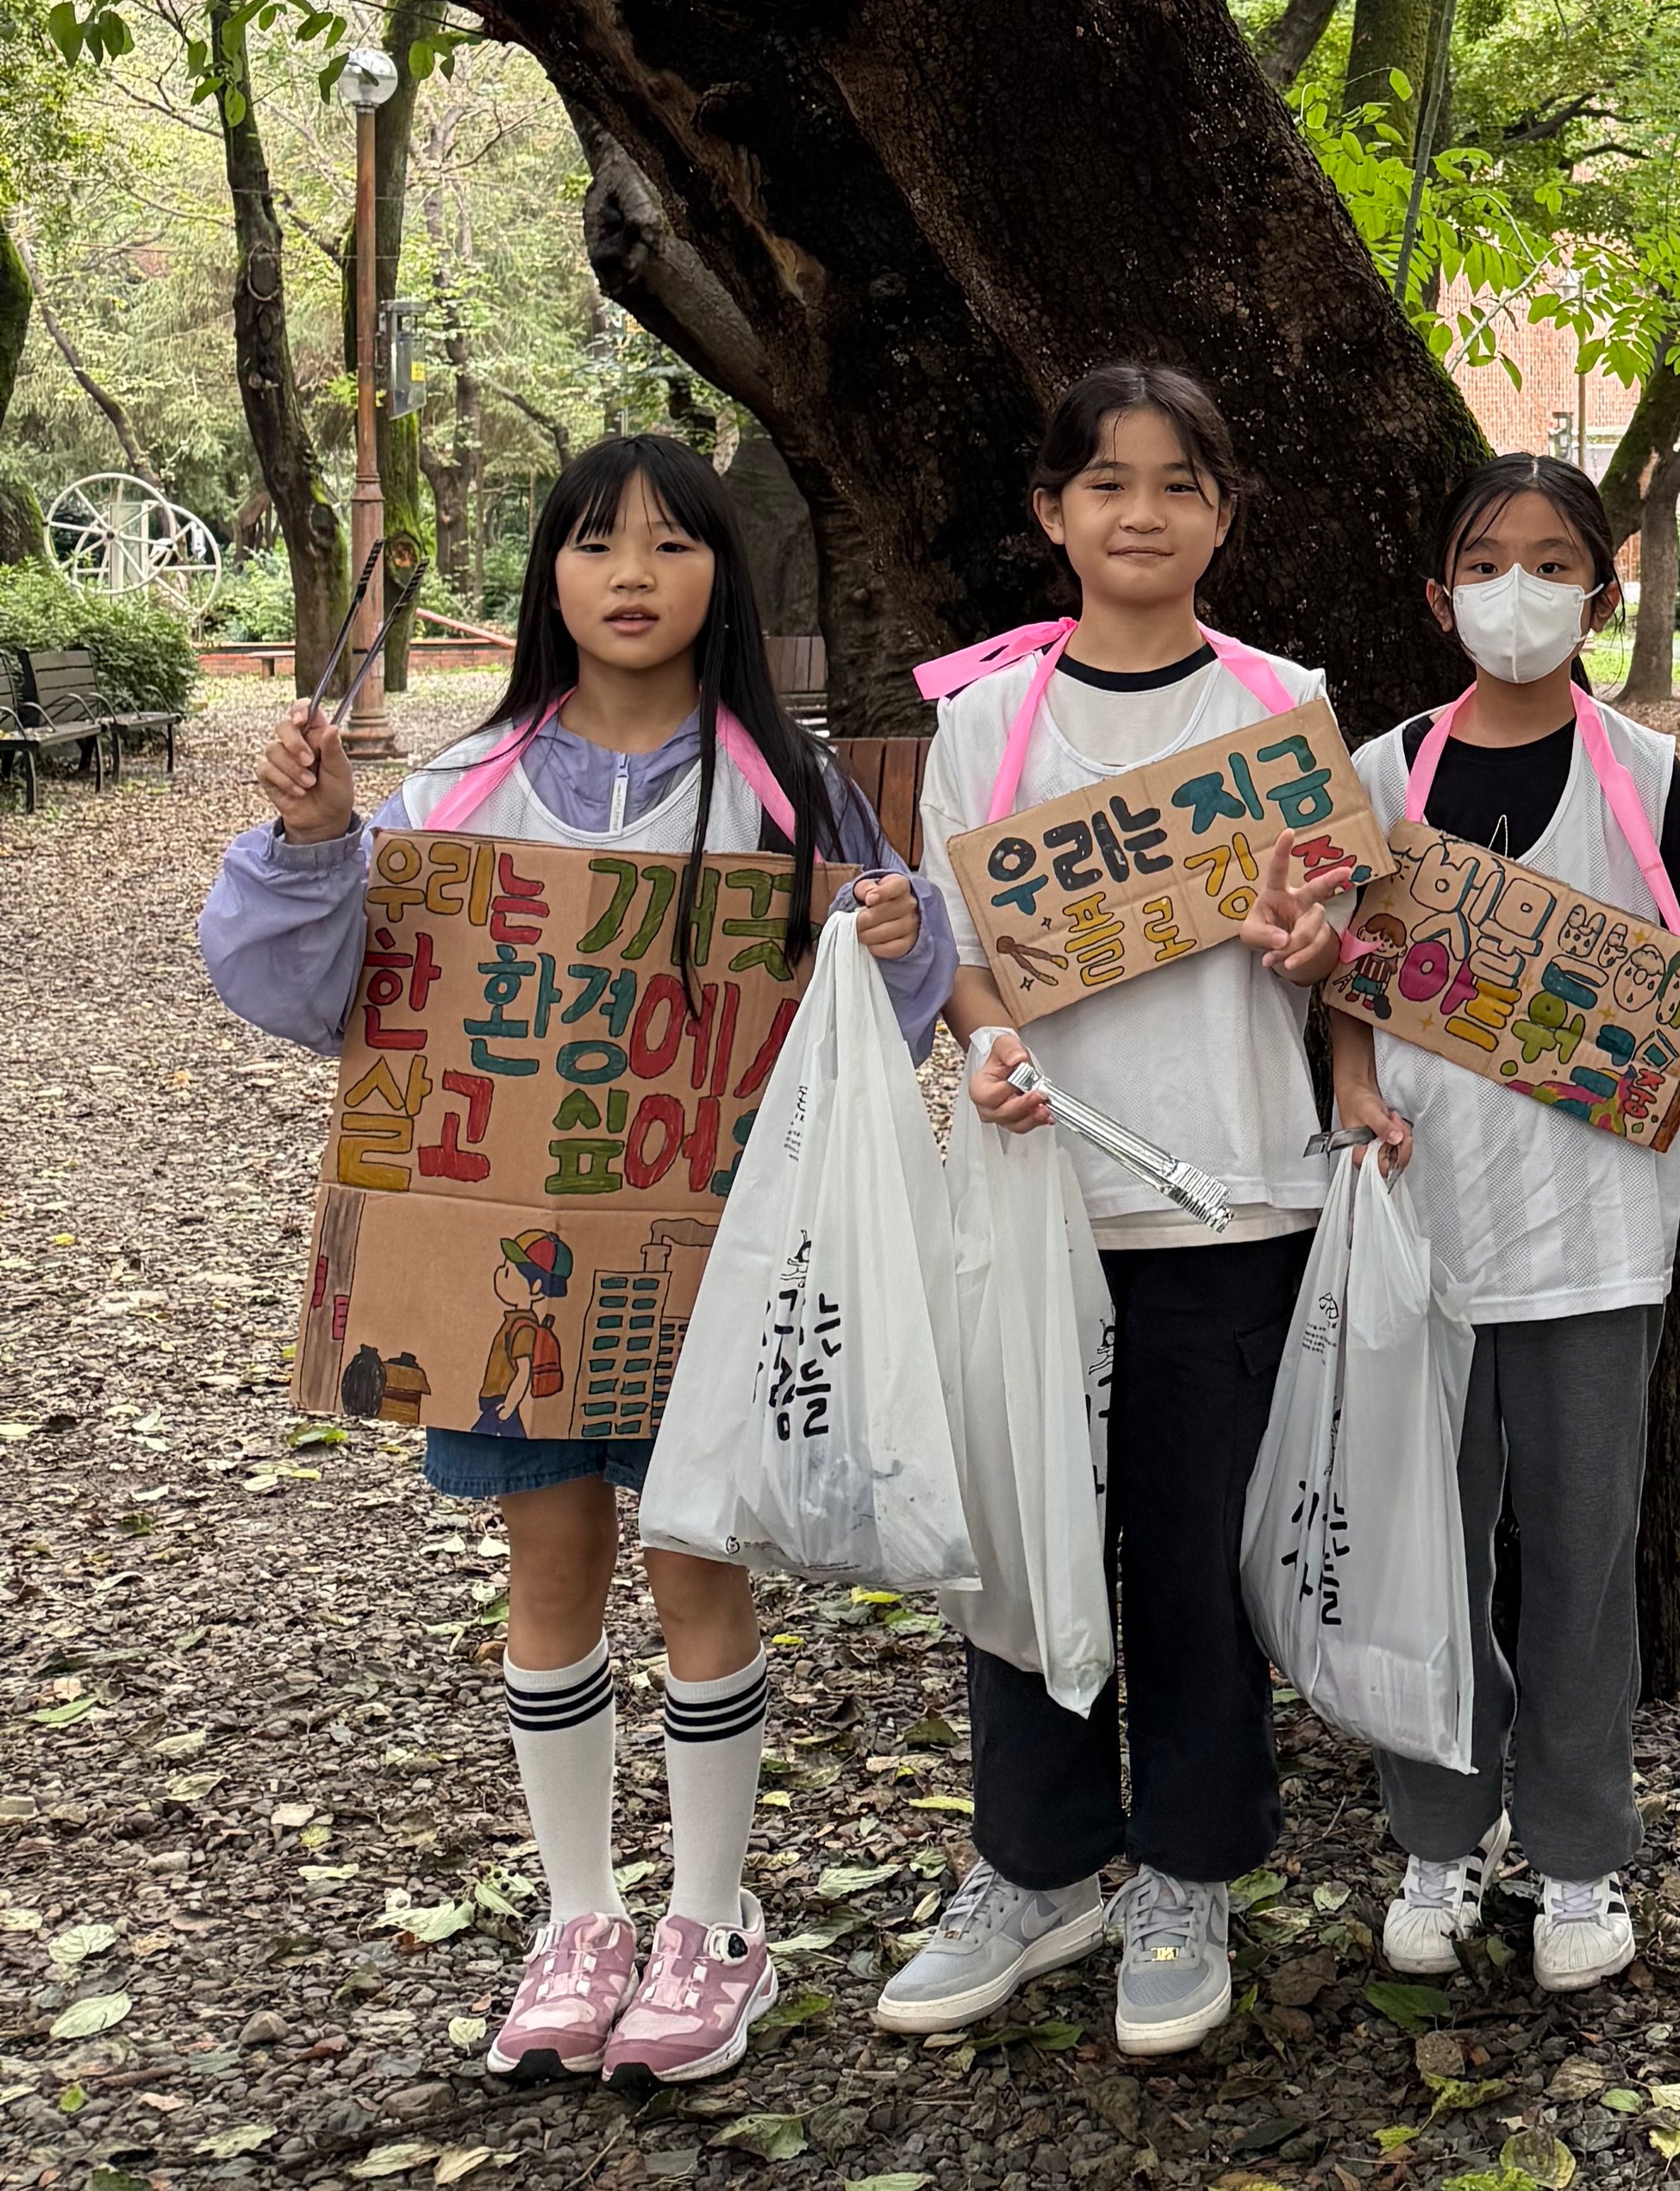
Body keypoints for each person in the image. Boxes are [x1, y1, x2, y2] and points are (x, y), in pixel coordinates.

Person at [200, 437, 951, 2094]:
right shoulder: (460, 794)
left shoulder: (781, 791)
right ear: (547, 574)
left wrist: (893, 940)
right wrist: (322, 837)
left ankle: (708, 1916)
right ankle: (577, 1914)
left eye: (673, 541)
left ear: (719, 580)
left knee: (696, 1563)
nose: (632, 570)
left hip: (720, 1266)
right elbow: (314, 981)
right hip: (501, 1279)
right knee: (545, 1574)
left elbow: (885, 997)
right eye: (596, 539)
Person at [883, 361, 1362, 2062]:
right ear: (1051, 513)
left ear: (1222, 515)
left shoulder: (1278, 703)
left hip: (1230, 1195)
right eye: (1104, 482)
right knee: (1017, 1543)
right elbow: (959, 966)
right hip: (1035, 1197)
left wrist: (1321, 954)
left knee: (1188, 1562)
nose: (1139, 513)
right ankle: (1035, 1864)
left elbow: (1349, 948)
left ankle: (1190, 1870)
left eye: (1176, 484)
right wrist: (984, 1049)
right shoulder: (985, 727)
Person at [1332, 455, 1680, 1996]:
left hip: (1590, 1229)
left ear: (1602, 590)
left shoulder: (1648, 774)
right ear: (1436, 587)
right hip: (1418, 1222)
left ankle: (1579, 1849)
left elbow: (1675, 1042)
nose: (1514, 588)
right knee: (1425, 1548)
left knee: (1581, 1551)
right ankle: (1437, 1830)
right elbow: (1343, 982)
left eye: (1548, 561)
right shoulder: (1383, 771)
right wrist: (1349, 1096)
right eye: (1482, 557)